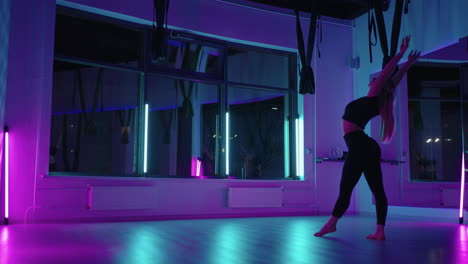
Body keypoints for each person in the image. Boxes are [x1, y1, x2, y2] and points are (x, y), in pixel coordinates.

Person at [314, 36, 421, 240]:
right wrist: (407, 63)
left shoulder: (374, 95)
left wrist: (400, 53)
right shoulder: (381, 101)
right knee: (376, 190)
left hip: (360, 146)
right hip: (366, 146)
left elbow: (388, 75)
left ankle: (331, 224)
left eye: (377, 78)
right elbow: (393, 82)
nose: (374, 79)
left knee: (346, 188)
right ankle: (379, 231)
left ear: (378, 85)